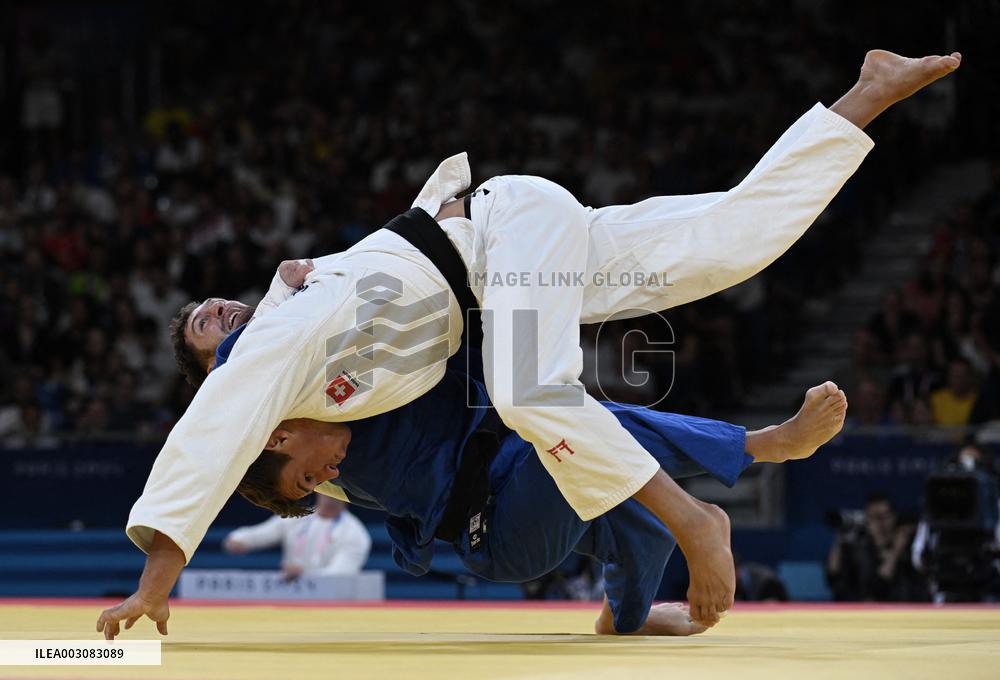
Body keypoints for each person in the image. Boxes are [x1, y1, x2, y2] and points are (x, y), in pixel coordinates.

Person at [100, 49, 961, 639]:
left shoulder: (286, 323)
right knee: (723, 244)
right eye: (208, 329)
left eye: (217, 310)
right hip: (521, 252)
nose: (220, 312)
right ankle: (866, 96)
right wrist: (155, 578)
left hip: (501, 234)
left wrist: (153, 584)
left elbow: (210, 437)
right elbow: (211, 440)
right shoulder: (288, 369)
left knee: (526, 390)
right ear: (216, 375)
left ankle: (697, 519)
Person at [103, 352, 848, 638]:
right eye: (313, 486)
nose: (326, 478)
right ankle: (758, 448)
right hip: (497, 534)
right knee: (570, 424)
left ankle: (627, 617)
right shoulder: (274, 396)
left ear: (280, 437)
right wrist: (153, 587)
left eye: (310, 472)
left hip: (525, 475)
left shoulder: (354, 374)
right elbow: (195, 472)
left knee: (617, 497)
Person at [223, 494, 371, 578]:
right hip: (291, 594)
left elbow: (342, 575)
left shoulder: (355, 533)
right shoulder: (299, 517)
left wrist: (304, 573)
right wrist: (238, 539)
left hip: (331, 604)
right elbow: (262, 533)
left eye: (338, 490)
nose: (331, 496)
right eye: (329, 488)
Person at [826, 493, 924, 601]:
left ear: (894, 516)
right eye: (874, 517)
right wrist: (839, 540)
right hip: (864, 612)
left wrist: (896, 550)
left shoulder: (908, 546)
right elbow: (834, 579)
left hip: (904, 611)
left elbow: (886, 583)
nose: (881, 523)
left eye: (885, 516)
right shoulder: (857, 548)